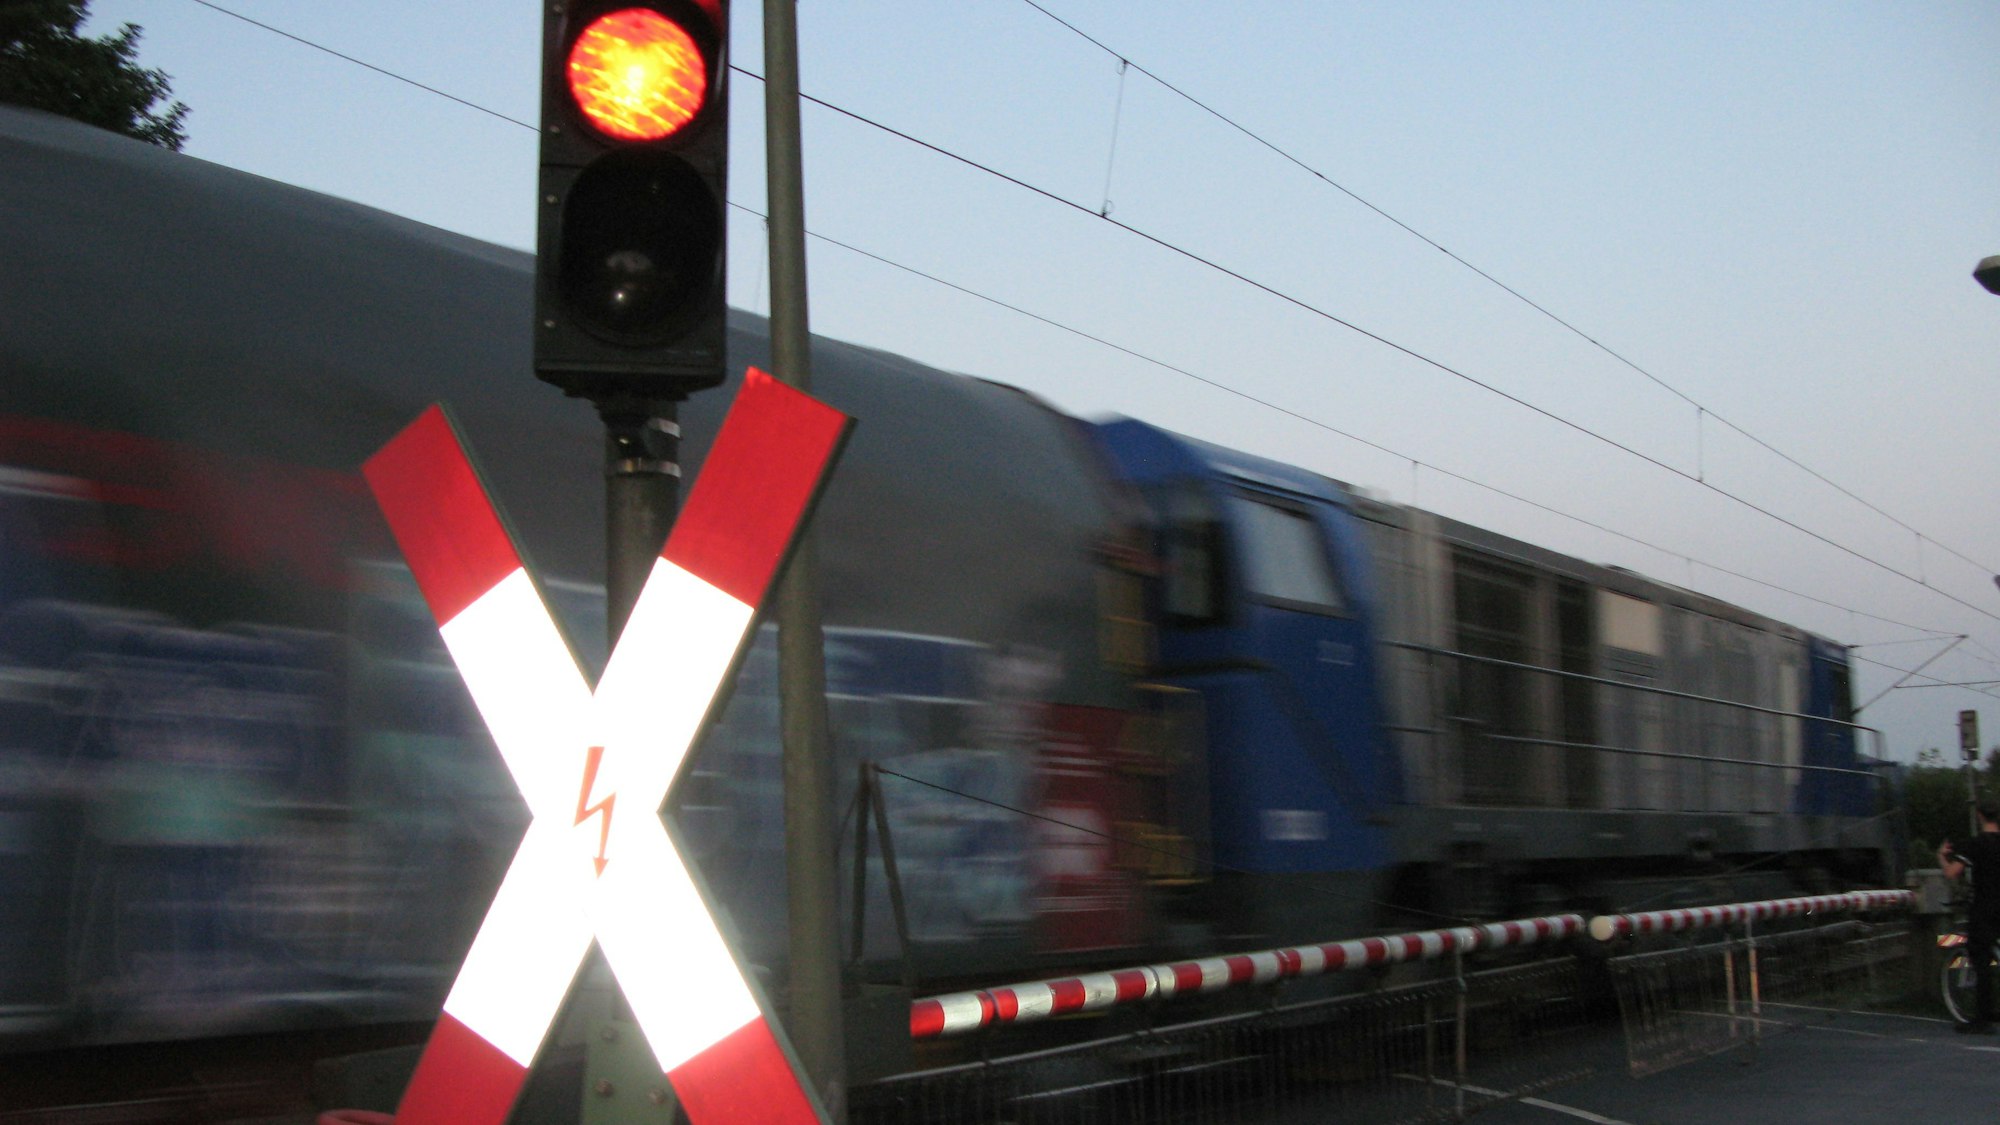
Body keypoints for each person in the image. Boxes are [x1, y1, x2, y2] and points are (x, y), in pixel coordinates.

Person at [1939, 800, 2000, 1033]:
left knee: (1981, 958)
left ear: (1979, 816)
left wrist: (1942, 857)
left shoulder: (1975, 844)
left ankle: (1982, 1020)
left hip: (1984, 908)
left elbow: (1952, 873)